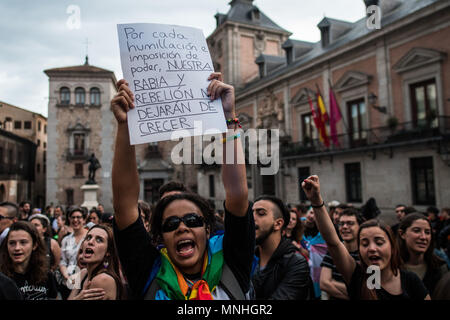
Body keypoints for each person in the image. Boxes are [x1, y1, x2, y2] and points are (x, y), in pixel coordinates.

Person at [111, 73, 254, 300]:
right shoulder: (150, 273)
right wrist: (125, 126)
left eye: (193, 221)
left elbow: (237, 194)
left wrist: (228, 117)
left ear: (208, 229)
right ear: (160, 239)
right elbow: (124, 204)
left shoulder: (232, 263)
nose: (182, 228)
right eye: (170, 224)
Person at [301, 175, 430, 300]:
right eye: (364, 243)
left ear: (392, 246)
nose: (372, 248)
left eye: (379, 242)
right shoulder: (359, 278)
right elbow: (333, 242)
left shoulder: (410, 280)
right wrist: (316, 201)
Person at [252, 195, 311, 300]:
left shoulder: (295, 263)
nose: (252, 218)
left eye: (261, 213)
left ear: (278, 224)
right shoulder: (249, 259)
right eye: (250, 213)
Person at [0, 221, 58, 300]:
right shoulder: (2, 279)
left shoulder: (46, 275)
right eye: (12, 243)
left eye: (23, 242)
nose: (17, 248)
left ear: (34, 245)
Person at [68, 225, 125, 300]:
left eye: (99, 240)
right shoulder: (83, 273)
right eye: (88, 238)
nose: (90, 242)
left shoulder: (103, 279)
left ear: (108, 252)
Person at [398, 213, 449, 296]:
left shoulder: (440, 267)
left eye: (427, 232)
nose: (423, 237)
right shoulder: (391, 268)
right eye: (416, 231)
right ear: (402, 234)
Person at [320, 208, 363, 300]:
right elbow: (324, 283)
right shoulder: (332, 251)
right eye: (341, 223)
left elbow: (372, 289)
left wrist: (333, 282)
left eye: (350, 223)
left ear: (360, 226)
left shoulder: (367, 253)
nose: (344, 227)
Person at [59, 207, 88, 299]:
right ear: (69, 219)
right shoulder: (66, 240)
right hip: (68, 281)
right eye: (73, 217)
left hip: (85, 279)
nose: (75, 220)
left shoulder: (89, 237)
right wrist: (66, 276)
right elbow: (63, 261)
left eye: (78, 217)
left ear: (84, 219)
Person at [301, 205, 328, 299]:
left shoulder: (322, 235)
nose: (312, 216)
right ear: (307, 212)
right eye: (311, 212)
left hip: (316, 275)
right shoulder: (297, 226)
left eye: (316, 215)